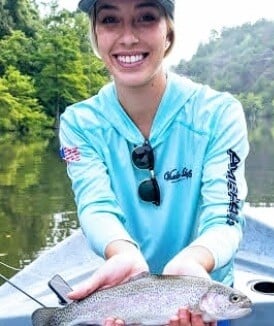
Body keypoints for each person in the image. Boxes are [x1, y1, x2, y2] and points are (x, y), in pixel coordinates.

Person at [59, 0, 249, 325]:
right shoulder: (78, 124)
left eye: (146, 17)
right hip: (125, 298)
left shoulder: (220, 114)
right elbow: (95, 205)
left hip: (205, 305)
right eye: (109, 20)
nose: (128, 37)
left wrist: (196, 262)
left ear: (169, 32)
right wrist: (122, 253)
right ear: (94, 35)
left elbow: (225, 214)